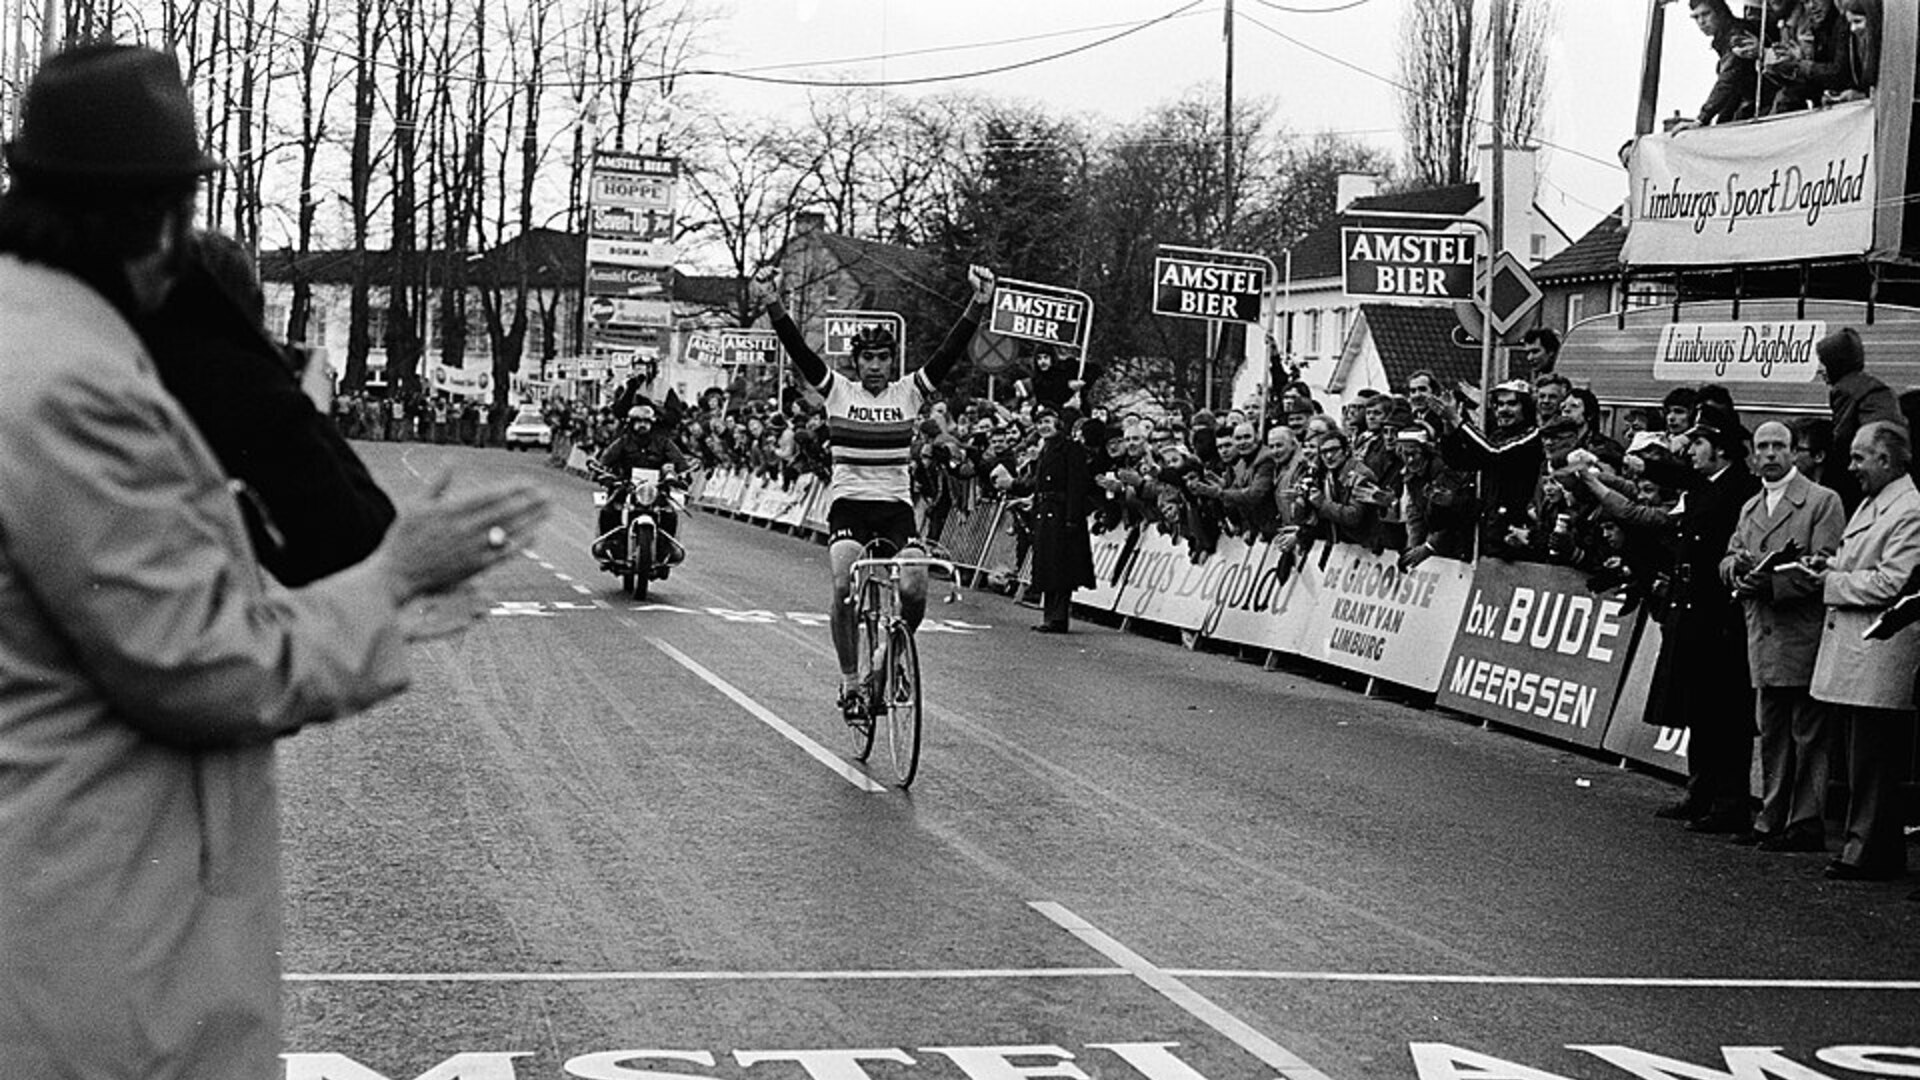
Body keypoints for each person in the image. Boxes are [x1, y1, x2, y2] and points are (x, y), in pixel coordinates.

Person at [0, 44, 549, 1080]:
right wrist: (387, 581)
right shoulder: (76, 389)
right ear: (162, 225)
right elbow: (204, 666)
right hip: (88, 949)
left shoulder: (27, 340)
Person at [752, 263, 997, 719]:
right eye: (868, 359)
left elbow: (949, 352)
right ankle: (849, 679)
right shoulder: (839, 392)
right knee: (844, 584)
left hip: (895, 509)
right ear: (857, 361)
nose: (876, 367)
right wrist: (771, 301)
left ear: (892, 361)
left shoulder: (908, 393)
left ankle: (893, 655)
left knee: (916, 583)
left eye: (884, 359)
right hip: (850, 507)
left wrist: (978, 302)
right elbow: (799, 351)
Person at [136, 229, 396, 586]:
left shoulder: (134, 374)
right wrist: (312, 412)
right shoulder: (245, 392)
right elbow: (356, 538)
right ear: (249, 305)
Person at [1796, 421, 1920, 880]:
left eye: (1858, 458)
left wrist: (1828, 581)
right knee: (1862, 757)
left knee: (1872, 759)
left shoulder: (1908, 510)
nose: (1851, 467)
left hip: (1878, 651)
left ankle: (1866, 849)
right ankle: (1870, 845)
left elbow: (1892, 582)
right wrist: (1827, 564)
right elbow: (1866, 565)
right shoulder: (1879, 502)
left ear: (1885, 460)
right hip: (1858, 650)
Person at [1719, 421, 1847, 850]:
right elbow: (1732, 553)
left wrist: (1772, 584)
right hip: (1762, 633)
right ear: (1753, 455)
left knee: (1808, 734)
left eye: (1779, 446)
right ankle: (1771, 816)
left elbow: (1825, 565)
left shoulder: (1821, 502)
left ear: (1794, 452)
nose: (1771, 454)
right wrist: (1735, 569)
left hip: (1801, 633)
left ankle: (1805, 822)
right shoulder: (1751, 506)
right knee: (1771, 731)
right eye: (1763, 447)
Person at [1647, 401, 1762, 832]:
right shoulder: (1697, 487)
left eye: (1699, 442)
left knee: (1725, 710)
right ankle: (1700, 790)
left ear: (1722, 449)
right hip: (1689, 605)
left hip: (1718, 611)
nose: (1691, 449)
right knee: (1697, 704)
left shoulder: (1741, 490)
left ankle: (1729, 800)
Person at [1000, 404, 1094, 633]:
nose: (1044, 426)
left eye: (1048, 422)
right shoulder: (1045, 449)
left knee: (1060, 567)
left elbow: (1075, 484)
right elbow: (1039, 483)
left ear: (1058, 424)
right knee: (1047, 566)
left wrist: (1072, 518)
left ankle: (1058, 617)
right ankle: (1050, 615)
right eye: (1040, 422)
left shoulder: (1070, 448)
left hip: (1061, 513)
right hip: (1045, 511)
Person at [593, 402, 690, 567]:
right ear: (631, 424)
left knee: (669, 512)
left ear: (652, 423)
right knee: (609, 508)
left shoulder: (663, 442)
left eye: (646, 422)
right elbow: (604, 460)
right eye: (638, 422)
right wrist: (602, 473)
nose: (642, 425)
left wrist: (683, 476)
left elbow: (680, 462)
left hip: (656, 489)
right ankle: (609, 543)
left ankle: (667, 547)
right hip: (626, 487)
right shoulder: (623, 442)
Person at [1817, 326, 1901, 513]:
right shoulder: (1868, 384)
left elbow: (1842, 438)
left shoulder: (1844, 389)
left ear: (1835, 363)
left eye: (1823, 362)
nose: (1820, 370)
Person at [1689, 0, 1764, 124]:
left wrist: (1702, 118)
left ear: (1720, 13)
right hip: (1747, 103)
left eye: (1706, 14)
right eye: (1696, 17)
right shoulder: (1724, 37)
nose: (1701, 22)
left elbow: (1729, 78)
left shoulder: (1737, 34)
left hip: (1763, 104)